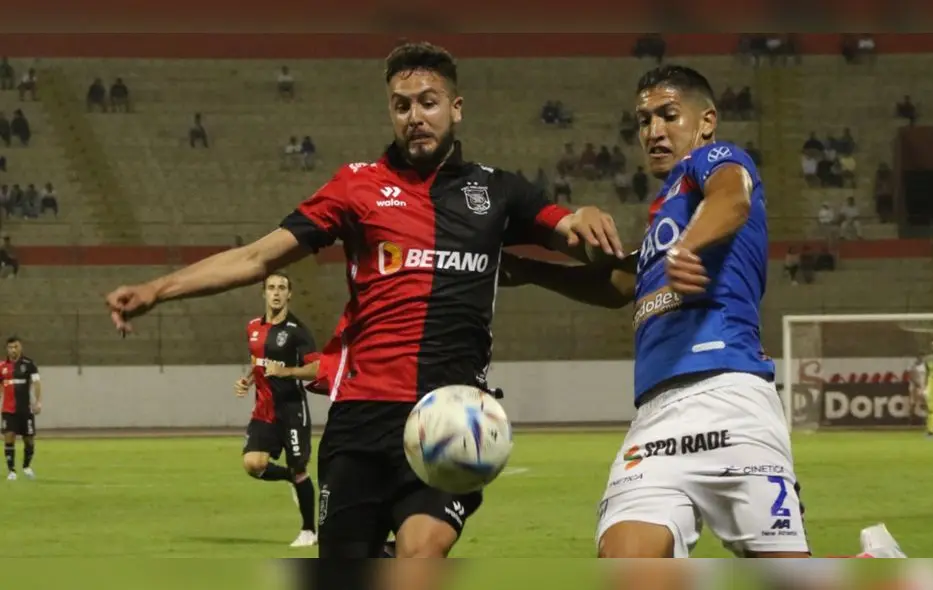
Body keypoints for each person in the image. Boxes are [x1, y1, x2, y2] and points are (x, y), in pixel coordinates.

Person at [104, 41, 622, 570]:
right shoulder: (356, 187)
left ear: (456, 108)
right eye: (402, 105)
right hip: (360, 420)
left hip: (448, 419)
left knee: (422, 553)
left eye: (428, 102)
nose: (415, 117)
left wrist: (584, 216)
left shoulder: (497, 191)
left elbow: (575, 238)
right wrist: (156, 290)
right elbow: (258, 257)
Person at [499, 64, 904, 563]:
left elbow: (733, 198)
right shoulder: (666, 210)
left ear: (707, 121)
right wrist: (530, 270)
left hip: (729, 399)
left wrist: (686, 247)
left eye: (668, 115)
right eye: (644, 120)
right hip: (654, 419)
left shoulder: (717, 161)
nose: (653, 131)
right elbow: (621, 284)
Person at [233, 272, 321, 548]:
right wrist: (248, 380)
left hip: (292, 410)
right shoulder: (252, 327)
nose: (276, 292)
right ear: (264, 293)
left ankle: (309, 531)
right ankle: (290, 479)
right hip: (264, 409)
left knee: (299, 467)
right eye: (271, 287)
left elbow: (317, 368)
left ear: (289, 294)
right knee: (253, 464)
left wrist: (287, 371)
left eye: (282, 288)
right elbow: (258, 361)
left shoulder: (297, 330)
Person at [1, 336, 41, 481]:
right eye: (10, 347)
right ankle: (11, 471)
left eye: (15, 347)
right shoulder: (2, 366)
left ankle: (26, 467)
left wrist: (38, 402)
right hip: (8, 409)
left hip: (25, 409)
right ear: (7, 349)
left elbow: (37, 383)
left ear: (20, 347)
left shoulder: (29, 364)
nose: (13, 350)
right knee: (9, 436)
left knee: (29, 439)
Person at [908, 354, 927, 423]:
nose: (921, 358)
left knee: (925, 401)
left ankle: (926, 418)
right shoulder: (913, 366)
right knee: (913, 403)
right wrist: (916, 383)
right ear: (917, 358)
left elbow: (927, 376)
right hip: (914, 386)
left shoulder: (925, 366)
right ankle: (910, 420)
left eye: (923, 357)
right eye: (920, 357)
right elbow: (911, 376)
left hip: (923, 387)